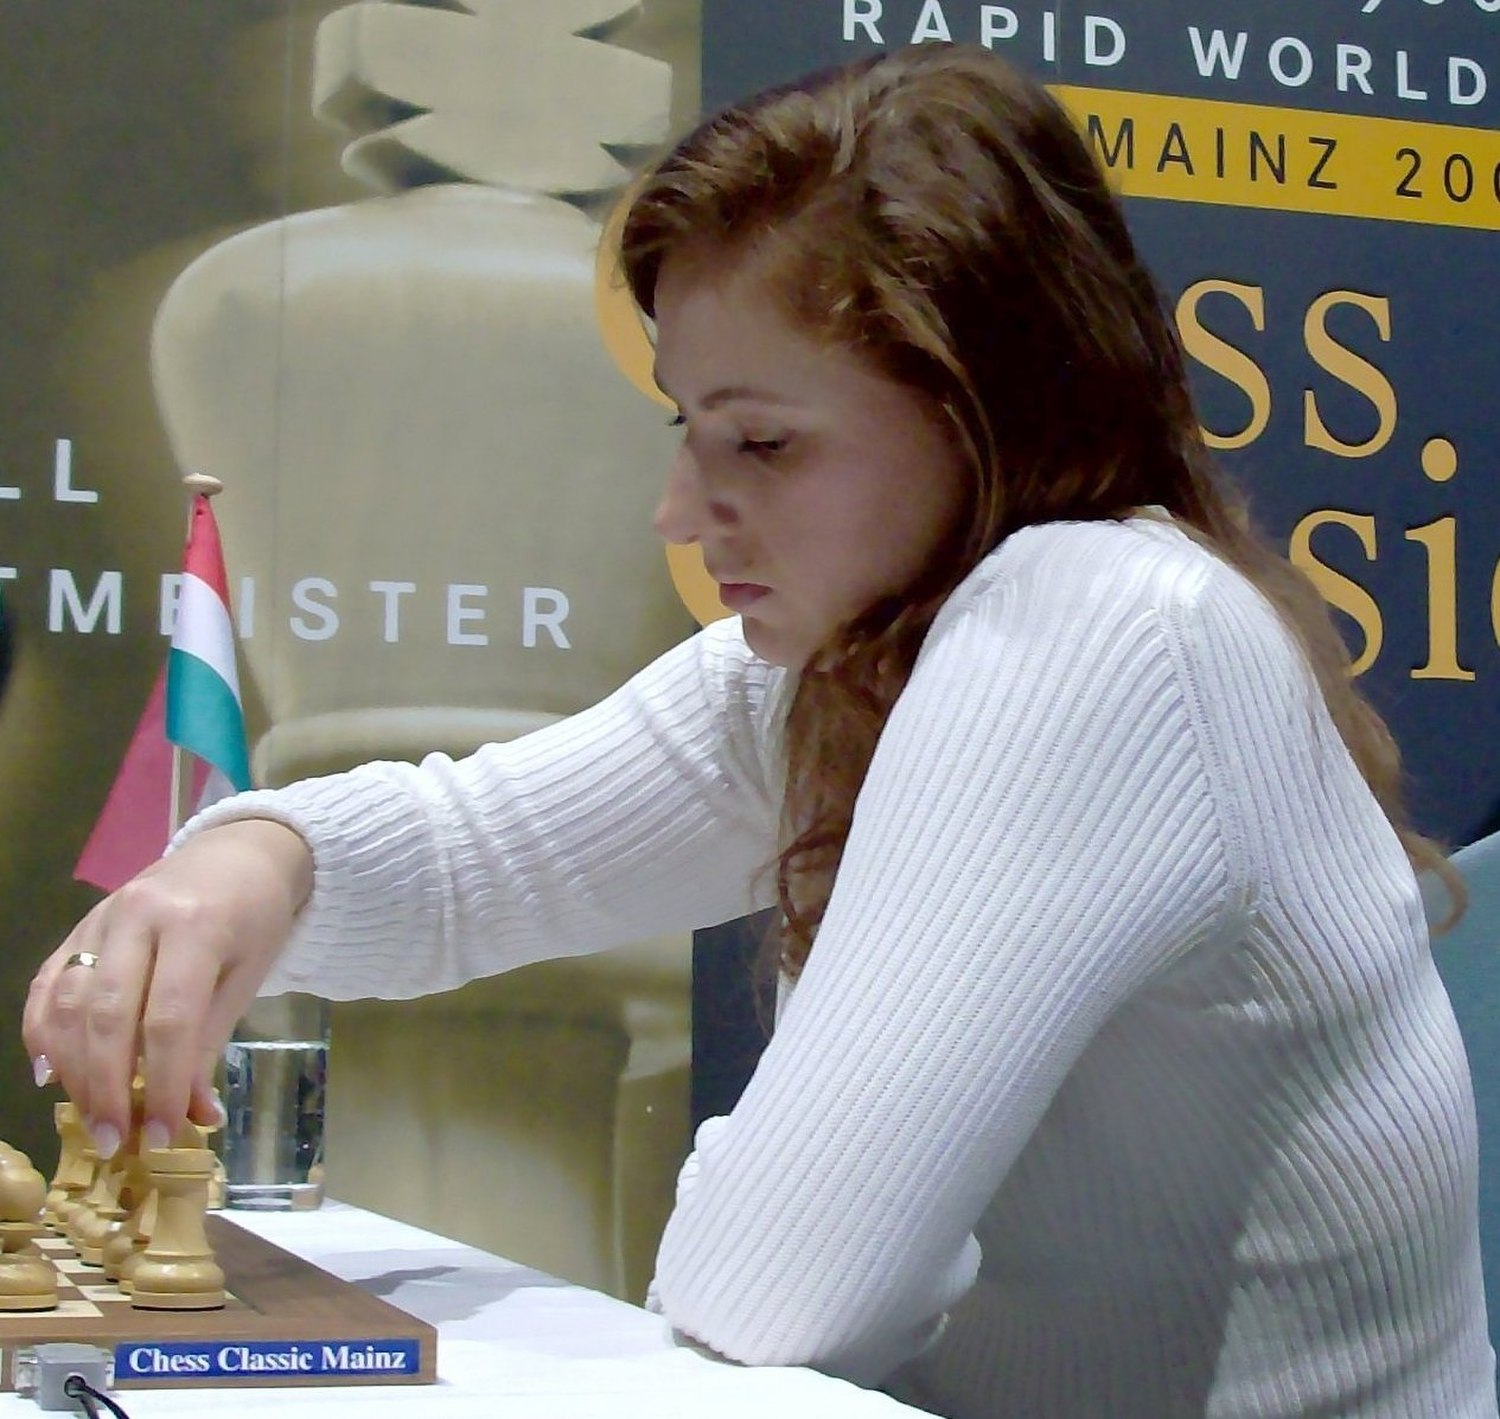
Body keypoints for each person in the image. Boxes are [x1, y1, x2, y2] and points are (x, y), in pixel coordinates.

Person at [23, 43, 1495, 1418]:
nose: (682, 514)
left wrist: (790, 1141)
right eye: (688, 430)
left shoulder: (1098, 623)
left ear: (989, 408)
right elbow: (479, 854)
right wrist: (248, 867)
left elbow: (776, 1295)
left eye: (765, 443)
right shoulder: (842, 661)